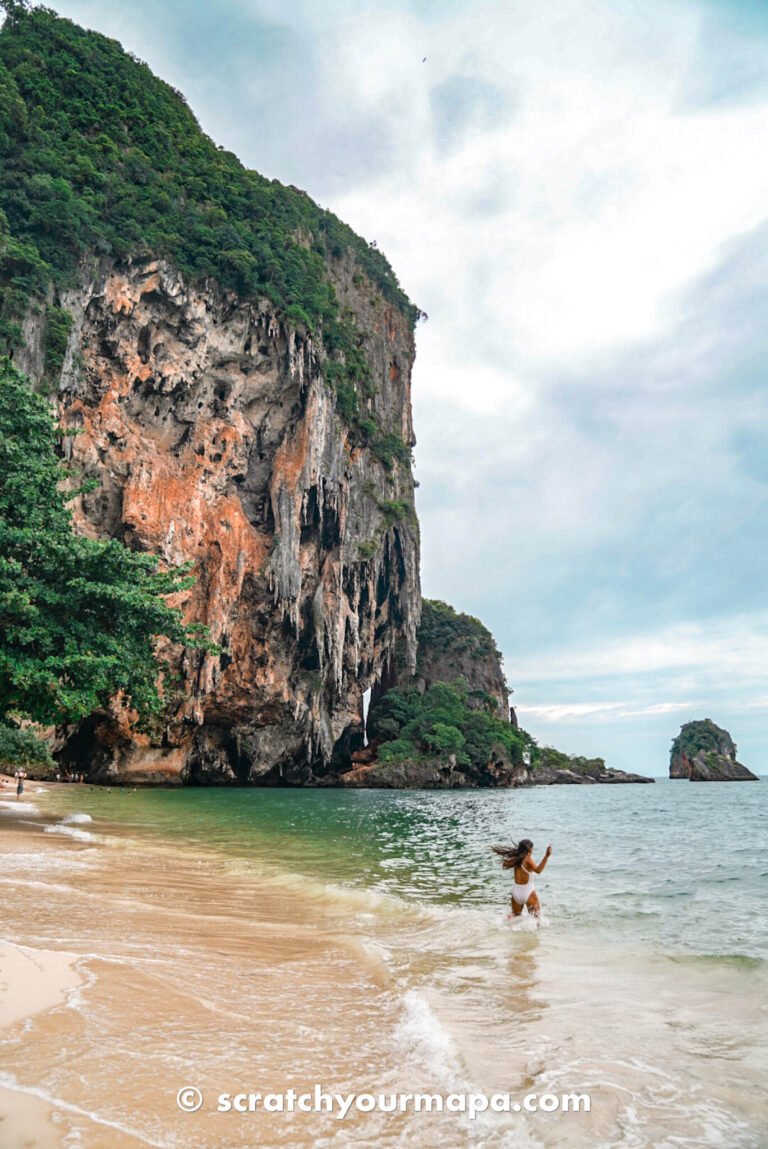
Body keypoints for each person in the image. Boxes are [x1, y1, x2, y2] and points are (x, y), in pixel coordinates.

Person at [492, 839, 552, 918]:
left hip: (516, 892)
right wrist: (546, 856)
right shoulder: (528, 859)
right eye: (532, 848)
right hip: (528, 891)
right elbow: (538, 870)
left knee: (515, 915)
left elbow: (505, 864)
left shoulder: (516, 859)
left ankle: (502, 926)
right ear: (529, 849)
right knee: (537, 918)